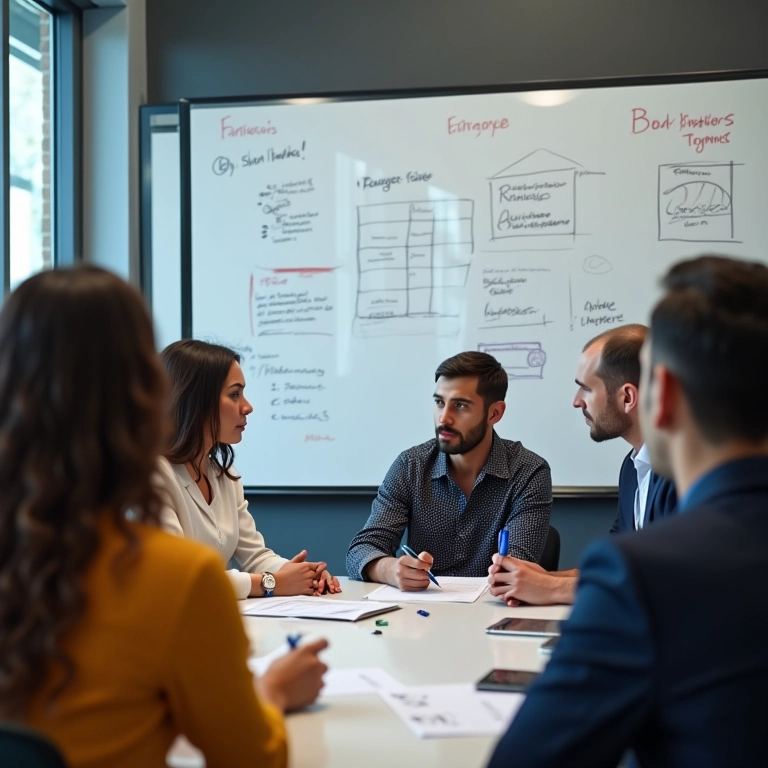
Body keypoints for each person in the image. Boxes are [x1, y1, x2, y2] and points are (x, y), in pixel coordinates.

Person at [0, 266, 328, 768]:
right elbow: (252, 757)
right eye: (234, 394)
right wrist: (275, 690)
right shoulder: (177, 581)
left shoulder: (219, 481)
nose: (247, 408)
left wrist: (287, 575)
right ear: (149, 396)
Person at [488, 255, 768, 768]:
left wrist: (558, 586)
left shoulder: (644, 575)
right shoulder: (633, 485)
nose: (576, 402)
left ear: (657, 400)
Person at [488, 324, 677, 605]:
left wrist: (551, 590)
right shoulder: (632, 467)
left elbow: (668, 581)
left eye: (586, 389)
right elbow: (619, 567)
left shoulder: (682, 473)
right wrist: (546, 578)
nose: (576, 402)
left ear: (627, 397)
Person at [346, 351, 551, 590]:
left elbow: (518, 571)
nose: (444, 418)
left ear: (494, 413)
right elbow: (361, 550)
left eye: (461, 405)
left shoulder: (528, 472)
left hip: (490, 612)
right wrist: (390, 569)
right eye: (439, 402)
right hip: (419, 617)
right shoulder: (410, 465)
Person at [156, 339, 341, 600]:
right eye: (234, 394)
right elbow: (177, 578)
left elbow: (255, 555)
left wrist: (299, 574)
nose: (247, 407)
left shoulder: (223, 474)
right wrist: (272, 582)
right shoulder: (151, 476)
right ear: (196, 400)